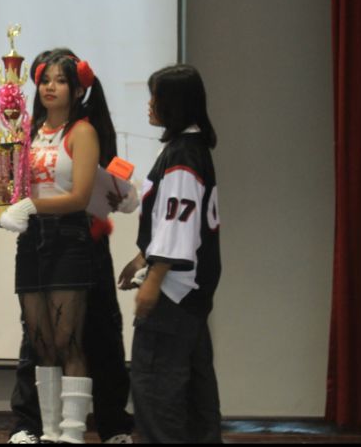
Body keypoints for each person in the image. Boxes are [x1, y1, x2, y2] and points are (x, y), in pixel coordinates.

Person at [5, 51, 134, 445]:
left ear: (77, 90)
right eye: (45, 80)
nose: (50, 87)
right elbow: (18, 185)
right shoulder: (28, 131)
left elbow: (79, 197)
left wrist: (30, 205)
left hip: (71, 239)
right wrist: (0, 191)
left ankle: (74, 434)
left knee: (70, 340)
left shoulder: (82, 131)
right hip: (32, 240)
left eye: (60, 81)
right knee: (41, 343)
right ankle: (47, 431)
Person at [117, 64, 222, 444]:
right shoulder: (190, 150)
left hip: (173, 294)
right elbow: (173, 221)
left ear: (174, 104)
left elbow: (179, 227)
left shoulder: (182, 156)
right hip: (188, 295)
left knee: (156, 390)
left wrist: (153, 281)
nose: (149, 104)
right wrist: (142, 258)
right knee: (194, 390)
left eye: (156, 97)